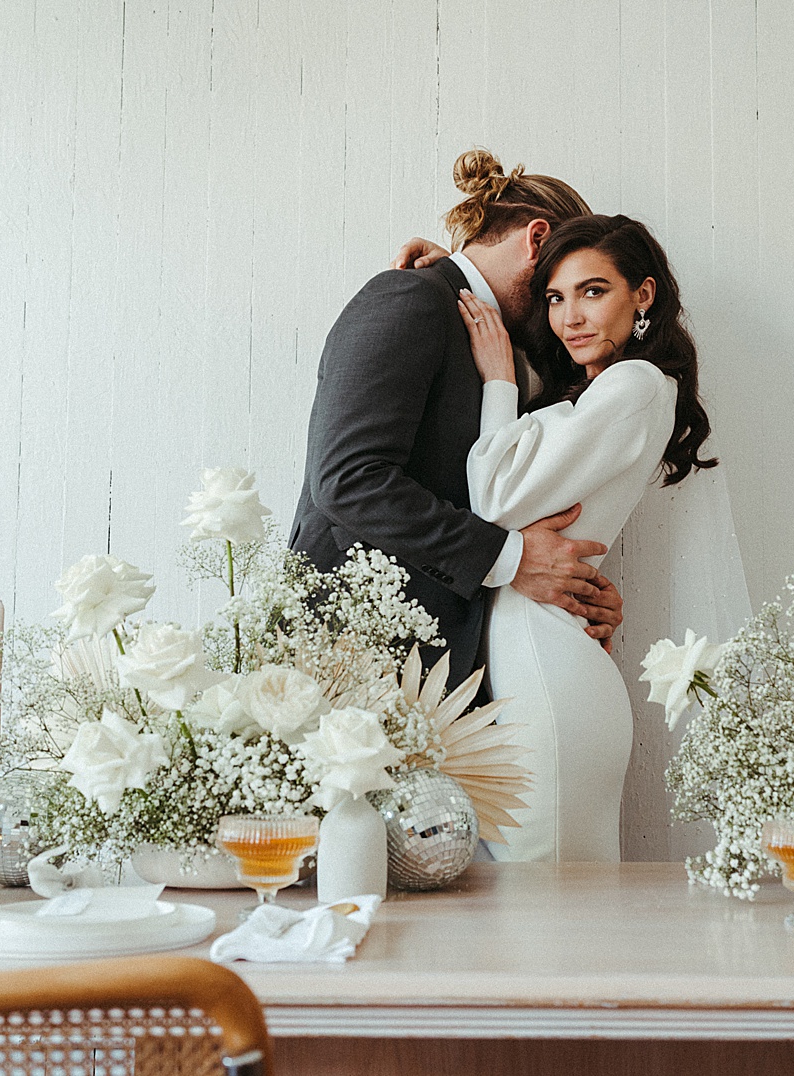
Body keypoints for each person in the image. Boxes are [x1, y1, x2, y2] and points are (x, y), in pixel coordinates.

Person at [291, 150, 625, 699]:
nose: (559, 312)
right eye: (557, 286)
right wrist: (511, 559)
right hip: (345, 654)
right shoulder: (408, 297)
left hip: (442, 670)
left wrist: (577, 588)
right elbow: (348, 478)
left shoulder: (492, 336)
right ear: (536, 240)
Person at [448, 213, 718, 862]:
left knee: (544, 897)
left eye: (593, 291)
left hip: (547, 657)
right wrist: (451, 262)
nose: (570, 315)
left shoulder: (632, 385)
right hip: (546, 651)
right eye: (555, 297)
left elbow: (495, 496)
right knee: (550, 898)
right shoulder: (597, 394)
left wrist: (499, 382)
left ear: (642, 295)